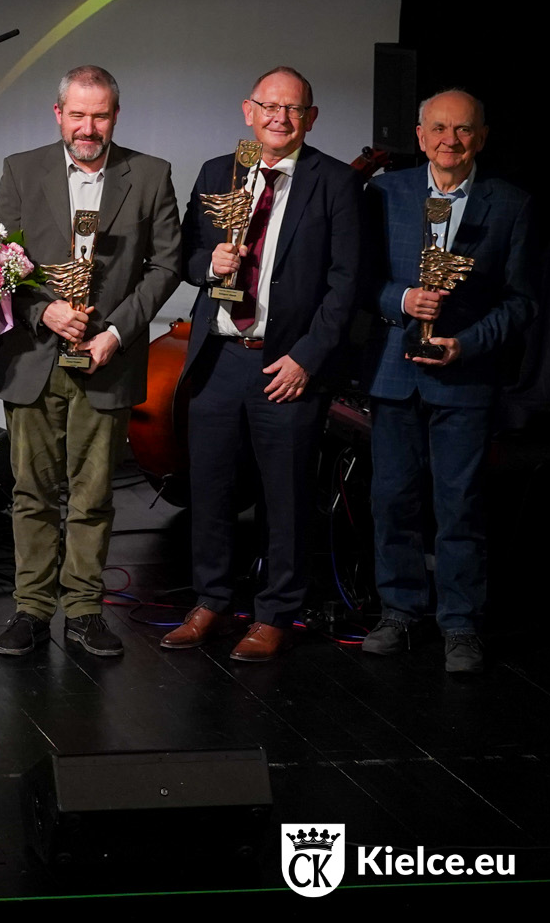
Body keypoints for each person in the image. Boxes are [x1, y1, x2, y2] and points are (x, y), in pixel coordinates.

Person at [163, 67, 361, 662]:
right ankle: (211, 600)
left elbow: (346, 283)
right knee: (211, 489)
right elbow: (186, 255)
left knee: (287, 497)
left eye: (293, 108)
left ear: (310, 118)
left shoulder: (336, 183)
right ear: (248, 111)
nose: (280, 117)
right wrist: (210, 265)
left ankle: (275, 612)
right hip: (219, 357)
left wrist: (307, 358)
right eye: (269, 106)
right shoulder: (216, 172)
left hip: (286, 365)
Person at [0, 66, 181, 659]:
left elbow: (167, 264)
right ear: (59, 115)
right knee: (32, 493)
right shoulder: (22, 169)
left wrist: (117, 334)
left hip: (106, 359)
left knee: (94, 496)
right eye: (77, 114)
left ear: (115, 116)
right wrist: (43, 311)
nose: (88, 127)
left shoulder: (150, 174)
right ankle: (30, 609)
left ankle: (83, 611)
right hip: (34, 357)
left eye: (99, 115)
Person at [360, 89, 536, 673]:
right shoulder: (386, 193)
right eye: (438, 128)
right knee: (392, 501)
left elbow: (521, 302)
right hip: (394, 375)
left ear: (480, 138)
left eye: (462, 130)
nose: (449, 140)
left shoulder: (510, 204)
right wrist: (402, 299)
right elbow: (359, 282)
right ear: (419, 135)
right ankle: (399, 611)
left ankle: (460, 622)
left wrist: (467, 343)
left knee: (459, 506)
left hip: (465, 379)